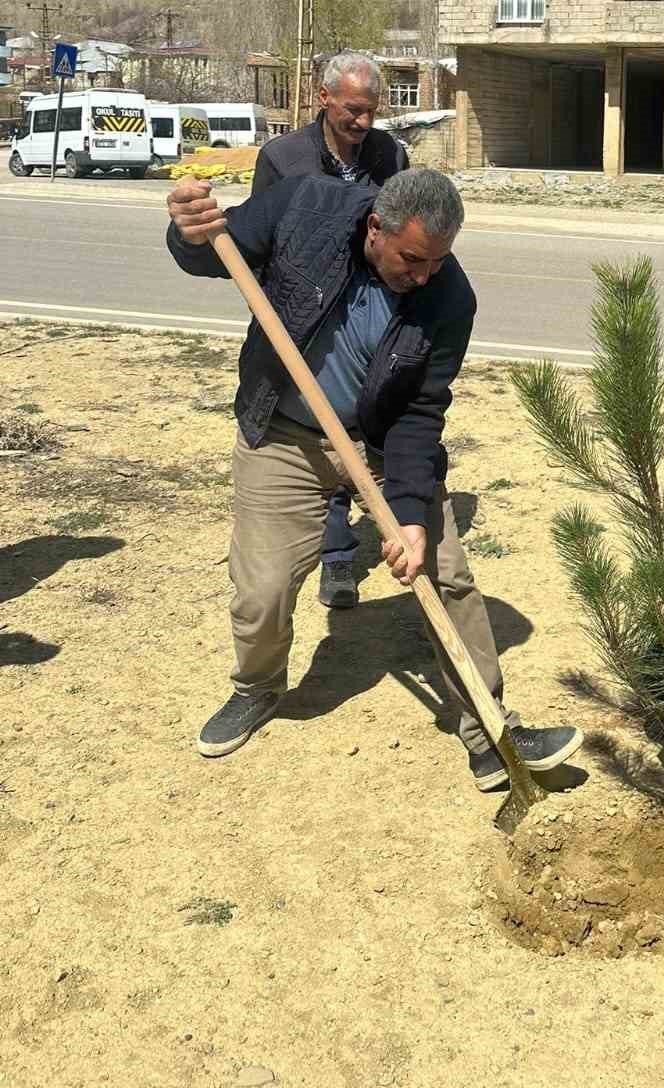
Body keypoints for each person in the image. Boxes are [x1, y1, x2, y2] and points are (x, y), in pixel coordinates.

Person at [165, 164, 582, 792]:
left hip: (383, 441)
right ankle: (257, 687)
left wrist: (410, 512)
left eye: (437, 261)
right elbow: (213, 254)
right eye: (413, 258)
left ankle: (490, 729)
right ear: (375, 225)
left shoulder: (449, 299)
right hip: (286, 433)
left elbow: (421, 410)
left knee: (447, 575)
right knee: (262, 590)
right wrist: (190, 233)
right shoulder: (306, 208)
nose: (423, 275)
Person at [252, 52, 409, 611]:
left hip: (370, 320)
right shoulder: (283, 158)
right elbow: (260, 244)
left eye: (371, 111)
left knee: (359, 427)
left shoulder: (391, 155)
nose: (363, 123)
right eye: (352, 110)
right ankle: (335, 555)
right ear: (323, 98)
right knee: (320, 430)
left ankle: (352, 536)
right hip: (306, 325)